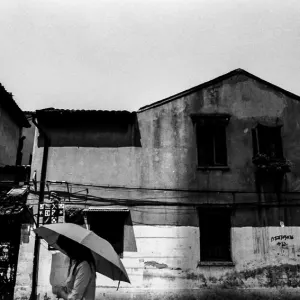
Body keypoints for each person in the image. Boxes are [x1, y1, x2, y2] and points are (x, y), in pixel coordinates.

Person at [52, 235, 96, 300]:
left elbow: (75, 298)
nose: (66, 252)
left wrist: (61, 293)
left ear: (73, 248)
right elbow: (72, 289)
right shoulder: (75, 264)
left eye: (67, 249)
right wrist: (64, 289)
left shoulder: (84, 266)